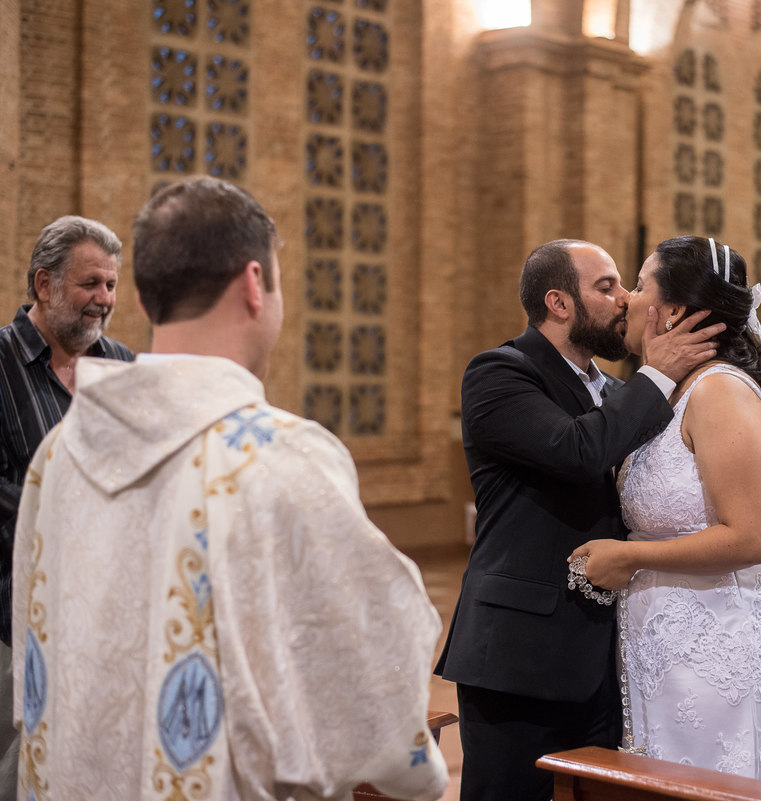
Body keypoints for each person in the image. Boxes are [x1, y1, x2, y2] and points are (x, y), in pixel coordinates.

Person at [10, 177, 448, 800]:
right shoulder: (279, 457)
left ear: (139, 296)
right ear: (254, 283)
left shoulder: (58, 455)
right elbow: (374, 704)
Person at [434, 238, 724, 801]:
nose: (624, 300)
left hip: (603, 657)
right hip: (518, 655)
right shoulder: (499, 374)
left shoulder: (618, 393)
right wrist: (658, 375)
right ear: (559, 302)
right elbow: (577, 450)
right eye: (606, 286)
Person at [569, 236, 761, 785]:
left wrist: (629, 556)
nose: (626, 297)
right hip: (666, 633)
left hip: (720, 637)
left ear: (672, 310)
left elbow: (750, 537)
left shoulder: (718, 392)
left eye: (639, 283)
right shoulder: (669, 392)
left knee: (712, 780)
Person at [0, 215, 134, 800]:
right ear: (44, 284)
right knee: (17, 772)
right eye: (89, 284)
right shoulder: (1, 365)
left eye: (110, 285)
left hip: (108, 625)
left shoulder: (123, 366)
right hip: (15, 623)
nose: (103, 299)